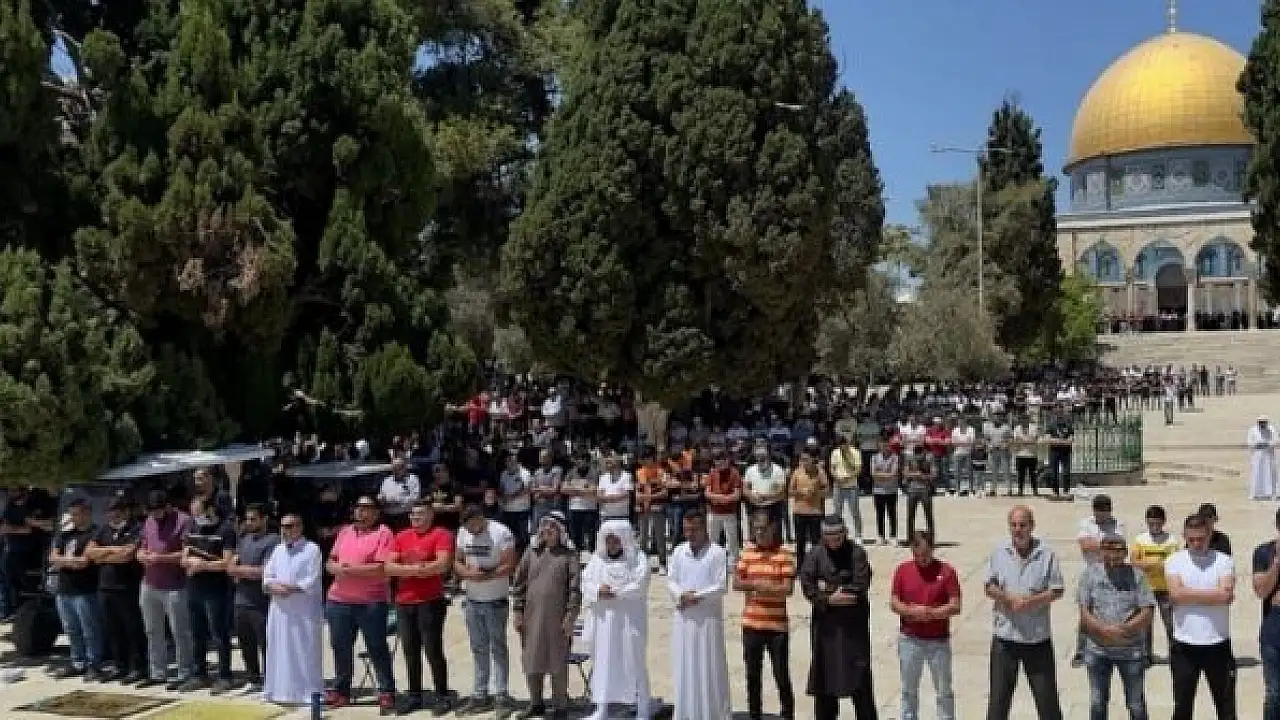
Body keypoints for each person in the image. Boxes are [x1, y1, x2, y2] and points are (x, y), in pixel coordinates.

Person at [983, 505, 1065, 720]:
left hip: (1037, 639)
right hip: (1005, 639)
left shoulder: (1046, 554)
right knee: (998, 703)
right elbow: (989, 586)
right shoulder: (999, 552)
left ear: (1032, 526)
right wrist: (1008, 599)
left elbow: (1057, 589)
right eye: (1013, 525)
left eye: (1022, 525)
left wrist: (1032, 602)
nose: (1018, 530)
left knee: (1047, 703)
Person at [800, 515, 877, 720]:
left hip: (853, 631)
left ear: (845, 534)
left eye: (838, 537)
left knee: (860, 682)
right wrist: (828, 598)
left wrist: (828, 590)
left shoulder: (857, 553)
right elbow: (808, 586)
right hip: (826, 632)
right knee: (825, 682)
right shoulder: (815, 555)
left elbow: (860, 586)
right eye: (830, 537)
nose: (834, 542)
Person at [324, 496, 396, 712]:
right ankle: (341, 691)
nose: (361, 512)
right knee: (340, 647)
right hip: (338, 600)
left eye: (366, 508)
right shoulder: (345, 532)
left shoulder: (383, 533)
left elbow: (381, 568)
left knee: (377, 647)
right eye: (358, 507)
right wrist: (334, 567)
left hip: (370, 602)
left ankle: (386, 691)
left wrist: (347, 570)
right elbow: (331, 561)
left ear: (376, 512)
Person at [385, 501, 455, 715]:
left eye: (421, 514)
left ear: (431, 515)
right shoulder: (401, 536)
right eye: (413, 514)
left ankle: (442, 695)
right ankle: (415, 695)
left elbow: (443, 564)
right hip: (404, 601)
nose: (415, 517)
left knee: (433, 650)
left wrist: (406, 570)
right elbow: (388, 567)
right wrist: (419, 569)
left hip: (430, 600)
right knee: (410, 650)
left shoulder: (441, 534)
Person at [1166, 512, 1237, 720]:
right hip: (1184, 646)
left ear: (1210, 535)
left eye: (1201, 539)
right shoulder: (1174, 561)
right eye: (1191, 539)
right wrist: (1213, 594)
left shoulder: (1224, 561)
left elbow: (1225, 597)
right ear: (1184, 536)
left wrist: (1187, 593)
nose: (1196, 544)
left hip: (1218, 644)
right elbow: (1175, 596)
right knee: (1182, 706)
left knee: (1226, 706)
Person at [1078, 532, 1155, 720]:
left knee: (1136, 704)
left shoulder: (1137, 576)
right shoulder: (1089, 574)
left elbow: (1147, 611)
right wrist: (1103, 629)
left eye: (1117, 555)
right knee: (1097, 702)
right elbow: (1084, 611)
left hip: (1130, 650)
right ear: (1101, 553)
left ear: (1125, 553)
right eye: (1108, 555)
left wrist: (1125, 629)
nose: (1112, 560)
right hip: (1098, 650)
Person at [513, 511, 582, 720]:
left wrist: (570, 617)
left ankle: (560, 707)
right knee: (532, 660)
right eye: (545, 526)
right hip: (531, 618)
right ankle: (536, 704)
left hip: (557, 619)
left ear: (561, 531)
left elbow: (575, 590)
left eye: (552, 527)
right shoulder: (531, 552)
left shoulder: (569, 555)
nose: (547, 530)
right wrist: (517, 611)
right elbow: (519, 584)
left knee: (557, 663)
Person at [581, 520, 653, 720]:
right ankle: (602, 708)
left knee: (634, 661)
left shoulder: (638, 559)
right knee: (603, 663)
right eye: (609, 541)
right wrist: (598, 590)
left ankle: (643, 707)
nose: (612, 545)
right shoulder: (597, 560)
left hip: (629, 621)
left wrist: (615, 592)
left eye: (616, 541)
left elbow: (640, 585)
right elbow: (586, 582)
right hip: (604, 623)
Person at [454, 505, 519, 716]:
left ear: (481, 518)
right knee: (478, 648)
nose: (470, 531)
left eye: (473, 526)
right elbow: (457, 561)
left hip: (495, 599)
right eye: (467, 527)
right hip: (472, 599)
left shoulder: (501, 532)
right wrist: (466, 574)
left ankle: (501, 695)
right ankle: (480, 693)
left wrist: (485, 575)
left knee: (498, 648)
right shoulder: (463, 532)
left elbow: (510, 564)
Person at [667, 511, 731, 720]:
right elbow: (671, 580)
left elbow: (721, 586)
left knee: (709, 665)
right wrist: (681, 595)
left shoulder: (717, 552)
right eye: (686, 530)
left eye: (694, 530)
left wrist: (697, 596)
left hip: (708, 620)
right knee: (685, 665)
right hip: (684, 619)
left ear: (704, 528)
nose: (689, 534)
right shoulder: (679, 551)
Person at [890, 531, 960, 720]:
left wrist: (931, 613)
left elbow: (955, 605)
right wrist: (911, 611)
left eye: (925, 554)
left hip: (938, 641)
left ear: (933, 549)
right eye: (917, 555)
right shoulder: (902, 570)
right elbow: (894, 602)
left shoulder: (947, 572)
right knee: (908, 689)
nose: (921, 559)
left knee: (944, 689)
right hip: (910, 639)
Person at [735, 511, 796, 720]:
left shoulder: (784, 555)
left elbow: (787, 589)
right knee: (752, 675)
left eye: (763, 528)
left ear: (773, 528)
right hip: (751, 624)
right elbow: (737, 582)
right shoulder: (747, 553)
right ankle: (754, 715)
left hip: (777, 627)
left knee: (781, 675)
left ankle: (787, 715)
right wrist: (759, 584)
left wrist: (760, 587)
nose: (759, 532)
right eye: (756, 528)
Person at [262, 513, 324, 705]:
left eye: (289, 526)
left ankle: (308, 692)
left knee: (304, 649)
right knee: (279, 648)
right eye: (282, 526)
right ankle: (279, 690)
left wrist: (289, 588)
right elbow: (267, 576)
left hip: (303, 609)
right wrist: (274, 587)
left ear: (300, 527)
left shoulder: (312, 549)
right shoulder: (278, 549)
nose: (285, 530)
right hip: (280, 609)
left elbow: (312, 580)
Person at [136, 490, 195, 690]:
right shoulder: (149, 521)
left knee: (180, 631)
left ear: (168, 506)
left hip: (175, 585)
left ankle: (185, 672)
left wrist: (161, 558)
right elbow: (143, 545)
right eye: (151, 511)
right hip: (149, 583)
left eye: (158, 510)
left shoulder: (184, 521)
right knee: (152, 630)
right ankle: (157, 672)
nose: (155, 514)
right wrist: (141, 554)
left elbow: (187, 552)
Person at [181, 496, 238, 693]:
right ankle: (199, 674)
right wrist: (188, 562)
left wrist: (204, 565)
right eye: (193, 514)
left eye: (199, 513)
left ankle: (225, 676)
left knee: (219, 634)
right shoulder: (192, 527)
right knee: (197, 634)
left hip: (216, 590)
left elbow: (226, 562)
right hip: (194, 587)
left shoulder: (225, 530)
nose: (196, 518)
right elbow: (184, 555)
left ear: (211, 510)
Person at [86, 498, 146, 682]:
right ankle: (120, 665)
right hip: (105, 587)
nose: (113, 515)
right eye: (110, 511)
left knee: (132, 629)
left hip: (127, 587)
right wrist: (113, 550)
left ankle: (138, 667)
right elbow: (90, 553)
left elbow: (127, 555)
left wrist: (103, 554)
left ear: (126, 511)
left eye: (117, 511)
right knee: (113, 629)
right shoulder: (103, 530)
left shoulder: (136, 528)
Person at [48, 499, 103, 680]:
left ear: (87, 513)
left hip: (85, 590)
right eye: (71, 514)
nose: (73, 517)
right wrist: (69, 561)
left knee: (90, 630)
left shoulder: (95, 533)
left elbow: (84, 562)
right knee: (71, 629)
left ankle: (94, 664)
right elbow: (53, 558)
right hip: (64, 589)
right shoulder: (65, 534)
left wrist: (64, 561)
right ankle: (77, 662)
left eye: (76, 514)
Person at [228, 504, 279, 694]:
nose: (249, 523)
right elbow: (230, 566)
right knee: (246, 643)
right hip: (241, 600)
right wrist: (242, 570)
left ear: (264, 519)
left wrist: (240, 570)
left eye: (253, 519)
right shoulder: (243, 540)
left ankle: (272, 681)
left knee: (266, 644)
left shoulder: (273, 541)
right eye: (247, 519)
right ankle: (253, 679)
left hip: (261, 602)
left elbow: (264, 571)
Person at [1074, 494, 1126, 667]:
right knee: (1086, 612)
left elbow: (1119, 547)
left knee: (1113, 611)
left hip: (1113, 571)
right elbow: (1085, 545)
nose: (1100, 516)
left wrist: (1099, 545)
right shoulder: (1085, 523)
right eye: (1098, 512)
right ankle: (1081, 651)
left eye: (1103, 513)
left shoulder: (1118, 524)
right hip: (1090, 573)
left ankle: (1112, 648)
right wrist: (1107, 545)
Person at [1132, 505, 1180, 666]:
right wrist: (1154, 563)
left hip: (1166, 588)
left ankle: (1175, 654)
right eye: (1151, 523)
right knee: (1145, 624)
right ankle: (1146, 654)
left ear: (1163, 522)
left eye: (1157, 523)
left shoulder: (1171, 541)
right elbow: (1134, 561)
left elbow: (1175, 563)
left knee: (1171, 624)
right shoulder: (1140, 540)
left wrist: (1150, 564)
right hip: (1146, 588)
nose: (1154, 527)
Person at [1253, 507, 1280, 720]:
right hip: (1273, 631)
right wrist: (1277, 562)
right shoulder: (1264, 552)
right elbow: (1261, 591)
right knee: (1274, 693)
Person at [789, 448, 828, 569]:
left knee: (816, 542)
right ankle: (800, 567)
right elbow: (790, 491)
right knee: (800, 542)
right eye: (802, 459)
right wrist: (801, 492)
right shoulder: (797, 472)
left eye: (806, 459)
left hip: (815, 512)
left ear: (812, 459)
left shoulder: (819, 472)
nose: (803, 462)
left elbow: (827, 490)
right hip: (799, 512)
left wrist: (815, 493)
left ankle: (817, 567)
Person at [704, 451, 744, 564]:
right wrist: (720, 497)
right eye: (717, 461)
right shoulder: (712, 472)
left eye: (722, 461)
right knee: (712, 540)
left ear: (727, 460)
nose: (719, 464)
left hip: (729, 512)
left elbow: (737, 495)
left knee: (732, 541)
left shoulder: (734, 473)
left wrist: (724, 499)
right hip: (713, 512)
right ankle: (713, 562)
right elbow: (707, 493)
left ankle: (734, 563)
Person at [829, 436, 863, 544]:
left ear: (847, 444)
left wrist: (848, 477)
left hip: (851, 485)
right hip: (838, 485)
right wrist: (836, 477)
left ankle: (858, 534)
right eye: (841, 446)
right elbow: (832, 468)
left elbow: (858, 469)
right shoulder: (835, 452)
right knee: (837, 511)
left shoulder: (855, 452)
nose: (842, 448)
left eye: (844, 445)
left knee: (854, 511)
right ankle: (839, 533)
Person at [869, 438, 899, 546]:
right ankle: (880, 536)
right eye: (883, 445)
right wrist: (887, 475)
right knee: (879, 514)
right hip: (878, 490)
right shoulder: (874, 457)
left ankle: (893, 536)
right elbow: (873, 473)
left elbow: (894, 473)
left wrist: (881, 474)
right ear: (879, 446)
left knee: (892, 513)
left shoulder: (895, 457)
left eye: (887, 445)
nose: (885, 447)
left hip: (891, 490)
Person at [379, 457, 421, 531]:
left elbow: (415, 499)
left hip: (404, 517)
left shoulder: (412, 479)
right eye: (394, 467)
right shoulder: (386, 480)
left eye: (400, 466)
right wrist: (382, 500)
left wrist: (396, 501)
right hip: (388, 517)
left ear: (405, 467)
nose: (397, 469)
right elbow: (382, 496)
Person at [1250, 415, 1278, 501]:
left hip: (1268, 455)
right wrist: (1257, 444)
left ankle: (1269, 493)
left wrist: (1267, 444)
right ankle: (1256, 494)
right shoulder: (1253, 430)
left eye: (1264, 422)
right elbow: (1250, 442)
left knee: (1269, 474)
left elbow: (1275, 440)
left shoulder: (1271, 429)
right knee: (1257, 474)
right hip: (1257, 456)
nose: (1262, 424)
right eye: (1261, 422)